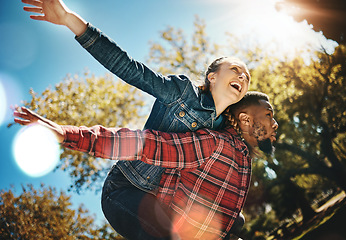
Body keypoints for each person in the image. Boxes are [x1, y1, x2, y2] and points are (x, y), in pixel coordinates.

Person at [21, 0, 251, 238]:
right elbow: (130, 69)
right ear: (212, 77)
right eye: (235, 69)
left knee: (235, 222)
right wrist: (70, 19)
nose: (242, 76)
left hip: (166, 201)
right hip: (127, 189)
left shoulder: (225, 133)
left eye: (246, 76)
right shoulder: (182, 93)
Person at [14, 91, 278, 239]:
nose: (274, 123)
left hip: (176, 214)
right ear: (244, 119)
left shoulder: (242, 158)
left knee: (236, 224)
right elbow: (147, 144)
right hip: (124, 192)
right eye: (268, 115)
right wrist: (65, 133)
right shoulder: (215, 144)